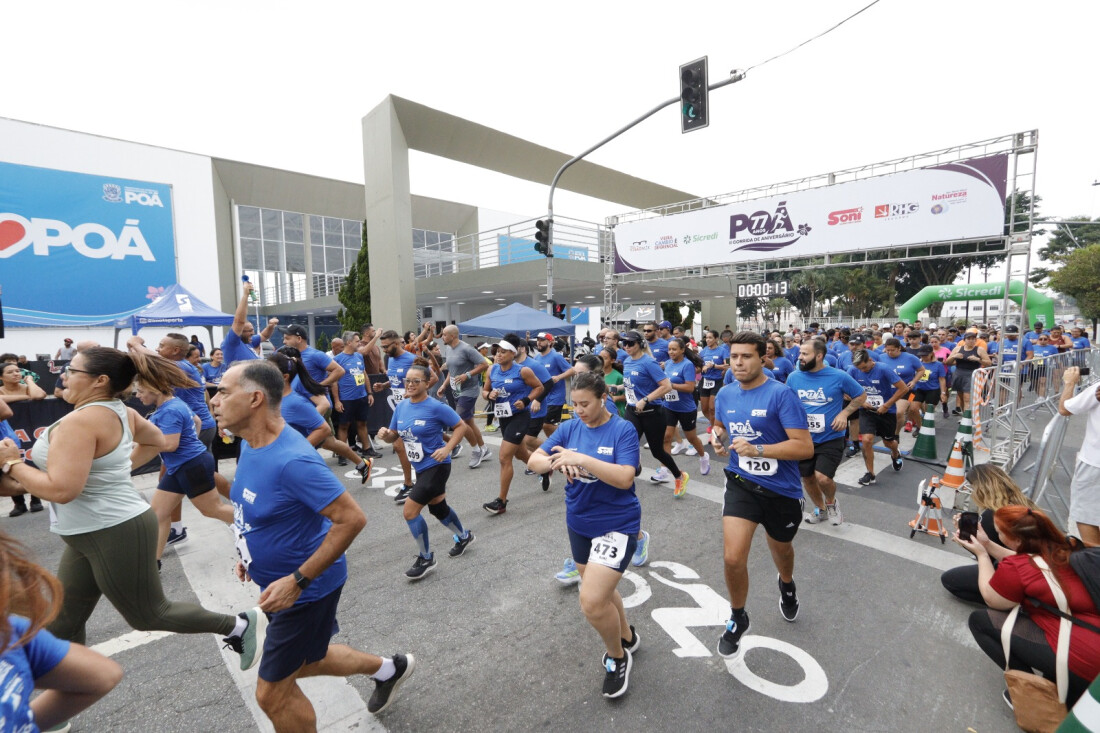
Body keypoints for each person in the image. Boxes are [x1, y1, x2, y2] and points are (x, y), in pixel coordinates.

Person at [0, 348, 263, 671]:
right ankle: (62, 697)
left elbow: (62, 490)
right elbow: (155, 442)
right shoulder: (119, 410)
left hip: (111, 528)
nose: (63, 376)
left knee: (149, 614)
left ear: (100, 381)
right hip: (86, 531)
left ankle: (239, 626)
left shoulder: (82, 421)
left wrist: (12, 463)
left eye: (72, 370)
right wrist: (110, 472)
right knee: (63, 620)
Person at [210, 361, 414, 728]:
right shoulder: (251, 444)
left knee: (272, 693)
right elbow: (254, 506)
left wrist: (297, 581)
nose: (214, 400)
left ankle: (389, 669)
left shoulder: (293, 460)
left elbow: (352, 519)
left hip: (304, 592)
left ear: (255, 398)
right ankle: (389, 669)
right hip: (278, 585)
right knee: (306, 662)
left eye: (223, 392)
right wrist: (248, 552)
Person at [528, 371, 642, 698]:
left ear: (603, 398)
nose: (578, 410)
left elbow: (624, 478)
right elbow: (535, 458)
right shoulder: (569, 427)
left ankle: (617, 657)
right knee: (601, 592)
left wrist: (581, 458)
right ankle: (628, 638)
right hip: (578, 521)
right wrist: (554, 463)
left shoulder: (622, 429)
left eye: (585, 404)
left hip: (616, 523)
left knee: (592, 602)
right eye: (574, 404)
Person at [710, 332, 813, 661]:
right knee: (732, 558)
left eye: (746, 356)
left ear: (762, 359)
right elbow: (719, 424)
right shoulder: (725, 394)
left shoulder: (781, 395)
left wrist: (759, 449)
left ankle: (786, 583)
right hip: (742, 483)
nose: (738, 362)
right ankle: (738, 616)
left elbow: (804, 446)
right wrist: (717, 436)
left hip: (781, 490)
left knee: (781, 550)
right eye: (734, 356)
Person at [957, 506, 1100, 708]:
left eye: (998, 533)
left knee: (981, 622)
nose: (995, 534)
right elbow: (1029, 565)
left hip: (1082, 660)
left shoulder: (1018, 567)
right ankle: (1061, 686)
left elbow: (991, 597)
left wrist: (981, 555)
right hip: (1092, 644)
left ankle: (1033, 695)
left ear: (1016, 540)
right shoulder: (1065, 548)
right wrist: (988, 545)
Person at [0, 532, 123, 731]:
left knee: (153, 614)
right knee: (62, 622)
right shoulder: (11, 630)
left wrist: (18, 720)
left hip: (103, 528)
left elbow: (103, 675)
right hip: (79, 534)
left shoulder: (10, 631)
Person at [376, 363, 473, 580]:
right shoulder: (401, 406)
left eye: (415, 381)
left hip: (437, 466)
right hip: (421, 467)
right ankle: (464, 536)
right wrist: (385, 435)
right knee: (438, 508)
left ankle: (426, 557)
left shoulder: (436, 406)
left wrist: (447, 448)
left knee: (410, 511)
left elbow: (461, 427)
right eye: (407, 380)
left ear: (428, 383)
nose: (409, 385)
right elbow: (395, 435)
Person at [132, 376, 234, 563]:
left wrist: (139, 443)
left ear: (154, 389)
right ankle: (153, 563)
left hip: (191, 466)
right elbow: (197, 422)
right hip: (180, 466)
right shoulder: (174, 404)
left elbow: (170, 445)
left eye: (140, 391)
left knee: (212, 509)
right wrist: (190, 442)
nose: (137, 395)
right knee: (158, 513)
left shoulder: (169, 410)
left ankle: (262, 525)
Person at [786, 339, 865, 525]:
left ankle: (831, 503)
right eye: (800, 354)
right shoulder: (794, 377)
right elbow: (787, 403)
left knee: (823, 478)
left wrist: (844, 414)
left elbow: (861, 395)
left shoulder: (838, 376)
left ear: (819, 356)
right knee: (808, 477)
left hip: (831, 436)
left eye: (805, 354)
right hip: (804, 438)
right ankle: (820, 509)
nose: (800, 358)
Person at [267, 352, 372, 483]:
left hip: (309, 420)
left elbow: (324, 404)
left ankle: (326, 482)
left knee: (309, 453)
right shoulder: (281, 386)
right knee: (330, 443)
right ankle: (362, 464)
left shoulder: (298, 381)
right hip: (301, 421)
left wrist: (311, 421)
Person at [941, 464, 1037, 605]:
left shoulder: (992, 515)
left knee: (950, 580)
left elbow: (986, 555)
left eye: (973, 489)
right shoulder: (1022, 503)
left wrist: (965, 539)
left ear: (981, 489)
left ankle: (1008, 601)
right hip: (1035, 567)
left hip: (1016, 571)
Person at [481, 335, 546, 515]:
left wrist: (526, 400)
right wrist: (488, 395)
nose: (498, 355)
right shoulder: (492, 370)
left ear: (512, 353)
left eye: (502, 352)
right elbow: (485, 390)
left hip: (520, 417)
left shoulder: (523, 371)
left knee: (504, 457)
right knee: (521, 454)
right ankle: (545, 468)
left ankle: (501, 502)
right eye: (496, 352)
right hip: (503, 417)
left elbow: (539, 388)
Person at [621, 331, 688, 496]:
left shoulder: (649, 362)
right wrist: (618, 388)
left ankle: (679, 476)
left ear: (640, 344)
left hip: (652, 412)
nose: (626, 347)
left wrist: (646, 399)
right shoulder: (627, 361)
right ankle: (632, 468)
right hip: (632, 411)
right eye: (624, 344)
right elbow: (634, 384)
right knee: (627, 444)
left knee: (657, 451)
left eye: (630, 343)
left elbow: (667, 386)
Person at [374, 330, 421, 504]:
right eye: (382, 346)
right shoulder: (391, 359)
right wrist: (385, 384)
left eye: (386, 346)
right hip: (399, 409)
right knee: (401, 444)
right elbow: (396, 380)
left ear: (397, 343)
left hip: (414, 407)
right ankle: (411, 483)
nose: (384, 350)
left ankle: (414, 482)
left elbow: (430, 378)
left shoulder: (411, 359)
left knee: (403, 444)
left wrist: (412, 393)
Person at [847, 350, 908, 486]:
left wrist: (887, 405)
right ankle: (870, 473)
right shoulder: (852, 370)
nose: (862, 370)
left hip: (886, 412)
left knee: (889, 442)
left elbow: (903, 389)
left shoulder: (883, 368)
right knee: (867, 440)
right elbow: (845, 391)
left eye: (864, 367)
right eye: (859, 368)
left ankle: (895, 453)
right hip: (866, 411)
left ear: (870, 360)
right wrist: (862, 403)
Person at [439, 325, 491, 465]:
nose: (442, 337)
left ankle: (476, 451)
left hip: (470, 390)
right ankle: (484, 449)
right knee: (469, 422)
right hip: (457, 390)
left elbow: (484, 364)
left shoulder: (467, 348)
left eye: (444, 334)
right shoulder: (449, 348)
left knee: (459, 421)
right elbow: (452, 369)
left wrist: (467, 375)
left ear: (453, 336)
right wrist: (443, 385)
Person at [1059, 366, 1100, 545]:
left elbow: (1065, 408)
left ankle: (1093, 564)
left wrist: (1069, 383)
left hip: (1094, 463)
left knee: (1086, 515)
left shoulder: (1097, 390)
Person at [662, 338, 710, 476]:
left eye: (674, 349)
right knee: (666, 437)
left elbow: (690, 387)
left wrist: (671, 386)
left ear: (682, 350)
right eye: (669, 349)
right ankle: (664, 470)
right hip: (669, 406)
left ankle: (703, 456)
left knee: (691, 438)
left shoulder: (687, 365)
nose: (671, 352)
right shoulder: (667, 364)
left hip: (686, 408)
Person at [331, 331, 381, 463]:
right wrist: (336, 401)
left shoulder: (358, 357)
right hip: (346, 399)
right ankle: (342, 454)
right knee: (343, 426)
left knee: (362, 423)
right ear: (349, 342)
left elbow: (364, 375)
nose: (359, 343)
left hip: (361, 397)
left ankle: (367, 449)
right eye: (357, 341)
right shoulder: (337, 359)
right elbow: (334, 382)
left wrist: (369, 393)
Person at [220, 282, 278, 365]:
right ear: (240, 332)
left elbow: (264, 336)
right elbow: (239, 321)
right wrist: (245, 295)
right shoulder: (232, 342)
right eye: (249, 331)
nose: (253, 333)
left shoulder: (248, 341)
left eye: (252, 330)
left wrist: (271, 326)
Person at [877, 338, 924, 434]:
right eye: (887, 350)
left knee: (899, 412)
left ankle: (896, 433)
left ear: (899, 348)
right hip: (888, 390)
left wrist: (914, 381)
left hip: (907, 390)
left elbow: (921, 370)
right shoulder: (881, 357)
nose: (889, 352)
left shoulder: (910, 357)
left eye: (892, 350)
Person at [534, 331, 575, 438]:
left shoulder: (556, 356)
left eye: (542, 340)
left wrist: (558, 377)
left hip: (555, 397)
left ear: (549, 342)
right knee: (544, 425)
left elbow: (572, 370)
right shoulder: (536, 358)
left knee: (547, 425)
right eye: (538, 340)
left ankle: (565, 439)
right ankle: (556, 443)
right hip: (542, 397)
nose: (539, 342)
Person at [907, 344, 948, 430]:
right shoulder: (918, 363)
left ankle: (927, 427)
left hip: (933, 390)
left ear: (931, 354)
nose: (924, 357)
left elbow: (942, 379)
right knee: (913, 409)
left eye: (926, 355)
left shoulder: (938, 365)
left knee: (928, 411)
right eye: (922, 355)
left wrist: (943, 393)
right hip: (918, 389)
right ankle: (919, 427)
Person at [698, 329, 729, 435]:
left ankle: (714, 430)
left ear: (716, 339)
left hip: (717, 381)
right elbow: (698, 367)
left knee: (712, 408)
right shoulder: (703, 351)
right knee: (704, 409)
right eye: (706, 338)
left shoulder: (723, 351)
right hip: (705, 381)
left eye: (710, 338)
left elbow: (728, 366)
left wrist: (714, 366)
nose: (708, 340)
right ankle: (714, 423)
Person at [598, 347, 626, 418]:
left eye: (604, 358)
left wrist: (615, 398)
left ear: (612, 360)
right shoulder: (595, 375)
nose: (601, 361)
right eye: (599, 358)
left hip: (616, 412)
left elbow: (627, 395)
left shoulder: (618, 376)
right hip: (600, 413)